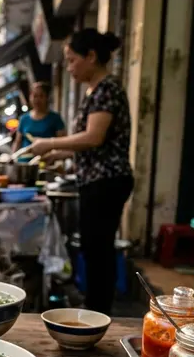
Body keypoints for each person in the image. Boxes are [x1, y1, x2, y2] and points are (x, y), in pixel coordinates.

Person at [26, 28, 133, 315]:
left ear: (91, 56)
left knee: (98, 248)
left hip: (107, 181)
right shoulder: (94, 91)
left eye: (72, 60)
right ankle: (95, 307)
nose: (69, 68)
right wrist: (53, 153)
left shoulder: (107, 89)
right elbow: (85, 145)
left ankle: (98, 311)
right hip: (96, 180)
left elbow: (94, 137)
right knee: (92, 246)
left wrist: (48, 142)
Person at [12, 81, 66, 153]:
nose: (37, 100)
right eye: (35, 96)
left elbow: (62, 143)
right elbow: (17, 142)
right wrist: (12, 157)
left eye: (41, 96)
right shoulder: (23, 119)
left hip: (47, 160)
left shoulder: (55, 118)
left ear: (47, 98)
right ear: (30, 97)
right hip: (24, 161)